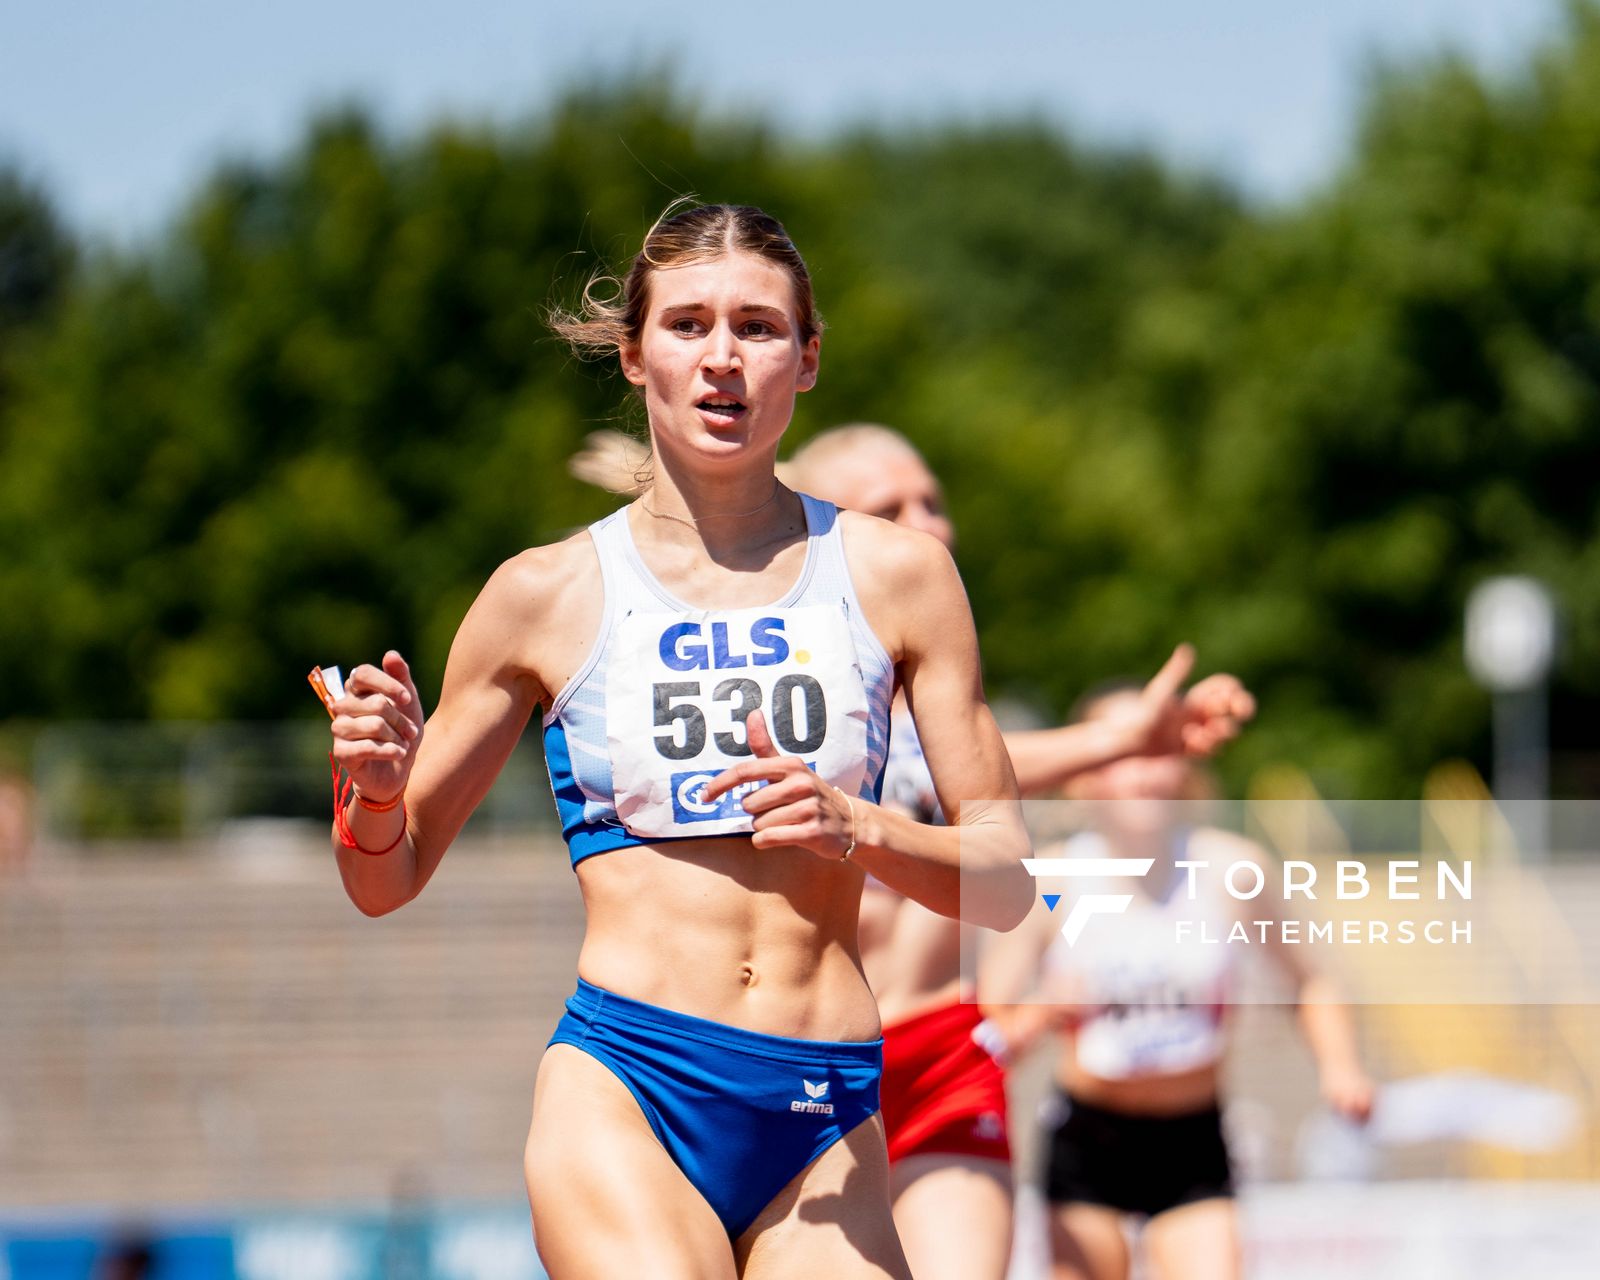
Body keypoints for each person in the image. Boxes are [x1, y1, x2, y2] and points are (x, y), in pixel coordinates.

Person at [324, 202, 1033, 1279]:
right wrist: (372, 791)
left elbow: (1007, 878)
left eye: (758, 327)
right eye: (688, 324)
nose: (722, 357)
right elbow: (386, 878)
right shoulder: (543, 593)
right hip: (630, 1086)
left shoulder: (900, 576)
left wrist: (857, 824)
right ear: (633, 353)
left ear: (808, 358)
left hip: (824, 1103)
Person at [775, 423, 1256, 1280]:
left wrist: (1128, 740)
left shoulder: (938, 688)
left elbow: (984, 774)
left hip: (942, 1054)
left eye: (933, 500)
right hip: (806, 1065)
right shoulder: (775, 683)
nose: (931, 523)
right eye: (892, 508)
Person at [981, 686, 1374, 1280]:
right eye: (1124, 754)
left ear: (1184, 763)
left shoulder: (1232, 869)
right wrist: (1042, 1010)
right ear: (1084, 772)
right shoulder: (1050, 880)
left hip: (1194, 1140)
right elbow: (988, 1030)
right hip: (1088, 1138)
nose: (1143, 774)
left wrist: (1341, 1067)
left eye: (1157, 752)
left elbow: (1311, 982)